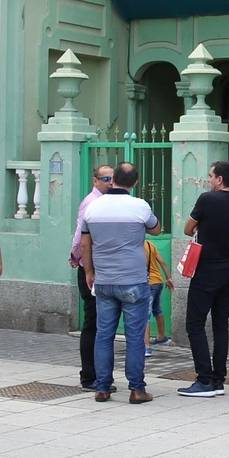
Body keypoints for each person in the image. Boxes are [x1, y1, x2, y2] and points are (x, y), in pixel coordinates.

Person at [82, 162, 160, 404]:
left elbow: (85, 244)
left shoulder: (93, 207)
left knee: (104, 335)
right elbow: (156, 230)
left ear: (112, 178)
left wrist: (89, 272)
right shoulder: (139, 206)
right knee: (135, 337)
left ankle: (102, 387)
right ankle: (137, 389)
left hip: (104, 281)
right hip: (134, 281)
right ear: (135, 183)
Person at [179, 161, 229, 399]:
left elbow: (188, 228)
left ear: (219, 179)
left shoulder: (207, 199)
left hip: (207, 270)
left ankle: (204, 379)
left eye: (210, 176)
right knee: (221, 325)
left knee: (194, 324)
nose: (208, 180)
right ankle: (218, 379)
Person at [68, 163, 115, 389]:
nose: (110, 183)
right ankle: (90, 375)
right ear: (95, 181)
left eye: (113, 178)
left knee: (100, 323)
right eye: (106, 179)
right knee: (93, 323)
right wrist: (85, 267)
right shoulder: (92, 203)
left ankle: (97, 374)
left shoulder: (106, 202)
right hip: (91, 269)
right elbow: (80, 240)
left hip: (99, 267)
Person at [145, 238, 171, 347]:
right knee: (157, 309)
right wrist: (168, 278)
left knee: (145, 314)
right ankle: (161, 337)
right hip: (158, 281)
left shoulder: (134, 245)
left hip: (147, 282)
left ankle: (146, 346)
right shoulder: (149, 244)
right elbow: (162, 262)